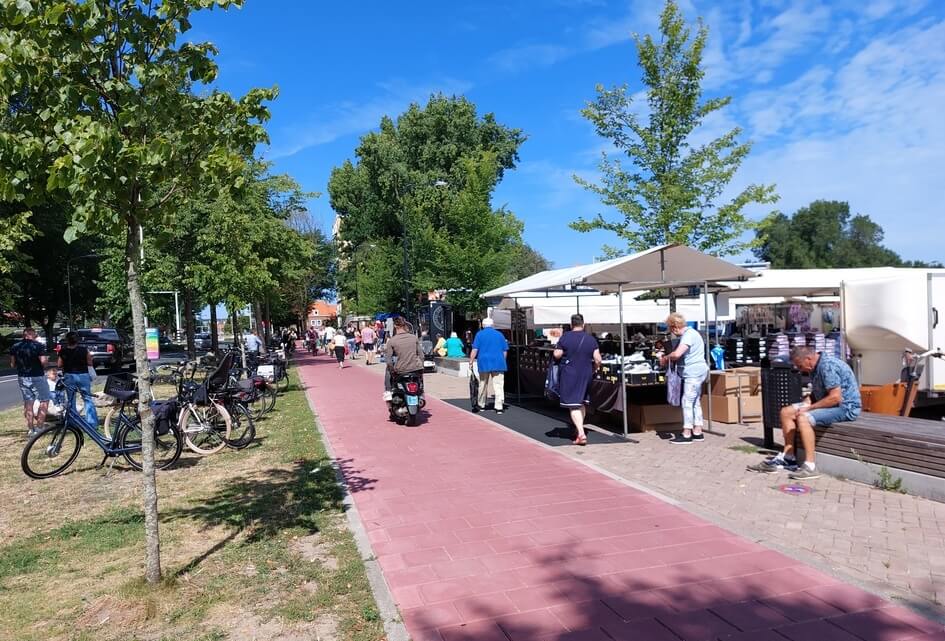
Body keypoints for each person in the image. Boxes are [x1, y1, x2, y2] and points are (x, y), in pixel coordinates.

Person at [748, 345, 862, 480]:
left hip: (846, 407)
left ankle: (810, 466)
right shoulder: (814, 367)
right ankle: (789, 456)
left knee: (803, 418)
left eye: (800, 365)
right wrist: (806, 403)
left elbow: (835, 397)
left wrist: (809, 408)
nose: (799, 369)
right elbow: (818, 392)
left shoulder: (828, 366)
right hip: (830, 404)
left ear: (808, 359)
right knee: (786, 412)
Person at [660, 313, 709, 445]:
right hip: (700, 370)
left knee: (687, 401)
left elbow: (677, 354)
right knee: (695, 401)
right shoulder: (694, 333)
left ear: (674, 327)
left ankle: (687, 433)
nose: (672, 332)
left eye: (671, 329)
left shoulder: (688, 335)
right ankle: (698, 431)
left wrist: (665, 358)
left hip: (692, 372)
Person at [553, 314, 602, 446]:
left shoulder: (565, 337)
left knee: (573, 404)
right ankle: (578, 428)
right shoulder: (591, 339)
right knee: (581, 402)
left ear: (571, 324)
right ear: (583, 324)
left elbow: (557, 354)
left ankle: (581, 433)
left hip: (570, 373)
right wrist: (594, 368)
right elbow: (598, 359)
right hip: (586, 373)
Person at [9, 327, 49, 437]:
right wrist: (47, 362)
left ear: (24, 335)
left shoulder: (15, 346)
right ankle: (40, 426)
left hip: (23, 376)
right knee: (44, 399)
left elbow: (12, 364)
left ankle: (31, 428)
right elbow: (43, 362)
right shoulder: (38, 346)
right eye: (35, 335)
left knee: (28, 402)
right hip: (37, 375)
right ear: (32, 334)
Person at [57, 331, 98, 428]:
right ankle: (92, 423)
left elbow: (59, 364)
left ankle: (73, 422)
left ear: (67, 340)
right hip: (83, 375)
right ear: (77, 340)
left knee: (71, 400)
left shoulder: (63, 351)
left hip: (69, 376)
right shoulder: (84, 350)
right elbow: (90, 363)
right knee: (87, 398)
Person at [469, 318, 509, 414]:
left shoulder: (479, 334)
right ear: (493, 324)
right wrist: (503, 360)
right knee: (498, 385)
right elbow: (505, 350)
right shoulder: (500, 335)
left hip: (484, 362)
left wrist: (471, 361)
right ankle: (499, 407)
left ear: (483, 325)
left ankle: (481, 404)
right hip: (498, 362)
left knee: (483, 383)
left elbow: (475, 349)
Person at [383, 316, 424, 402]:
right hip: (416, 368)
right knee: (419, 375)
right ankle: (421, 392)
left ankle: (388, 392)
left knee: (387, 369)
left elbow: (389, 360)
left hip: (401, 369)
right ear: (405, 325)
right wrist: (421, 366)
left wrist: (392, 370)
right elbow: (421, 355)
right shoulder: (414, 338)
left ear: (395, 326)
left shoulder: (392, 341)